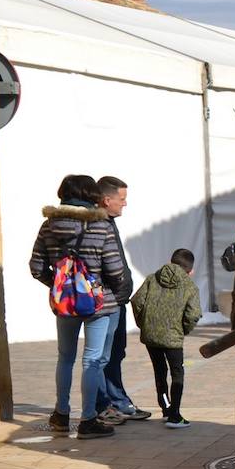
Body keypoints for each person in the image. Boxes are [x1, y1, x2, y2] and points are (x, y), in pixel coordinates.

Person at [29, 174, 129, 439]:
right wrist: (105, 290)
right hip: (99, 303)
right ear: (90, 196)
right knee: (92, 361)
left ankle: (61, 414)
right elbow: (115, 270)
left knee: (65, 357)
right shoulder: (100, 226)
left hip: (65, 305)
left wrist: (61, 286)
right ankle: (88, 419)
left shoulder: (48, 226)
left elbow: (36, 267)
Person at [94, 176, 151, 425]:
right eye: (122, 199)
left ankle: (118, 401)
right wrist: (115, 288)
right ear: (107, 200)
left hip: (117, 301)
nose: (124, 204)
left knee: (115, 354)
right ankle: (103, 406)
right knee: (100, 357)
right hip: (107, 303)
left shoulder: (109, 221)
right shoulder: (97, 224)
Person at [130, 248, 202, 429]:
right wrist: (182, 330)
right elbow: (193, 314)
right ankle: (175, 415)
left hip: (151, 336)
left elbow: (136, 301)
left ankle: (166, 408)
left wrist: (144, 324)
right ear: (190, 270)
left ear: (171, 261)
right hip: (173, 338)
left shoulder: (152, 278)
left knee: (159, 371)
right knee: (177, 373)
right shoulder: (190, 286)